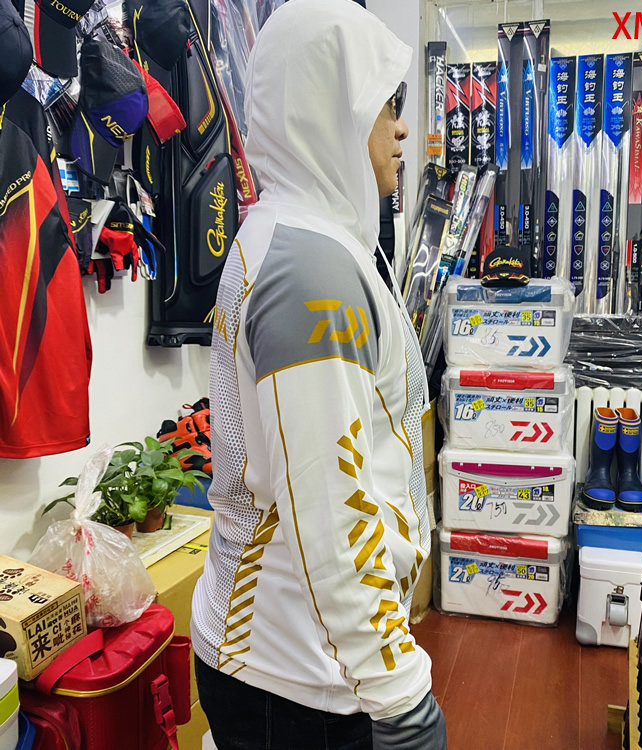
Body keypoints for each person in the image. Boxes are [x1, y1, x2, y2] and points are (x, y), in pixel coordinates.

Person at [190, 1, 448, 748]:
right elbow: (331, 513)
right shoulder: (310, 273)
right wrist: (400, 696)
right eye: (384, 105)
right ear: (326, 108)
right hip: (300, 675)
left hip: (291, 658)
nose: (401, 129)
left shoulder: (297, 234)